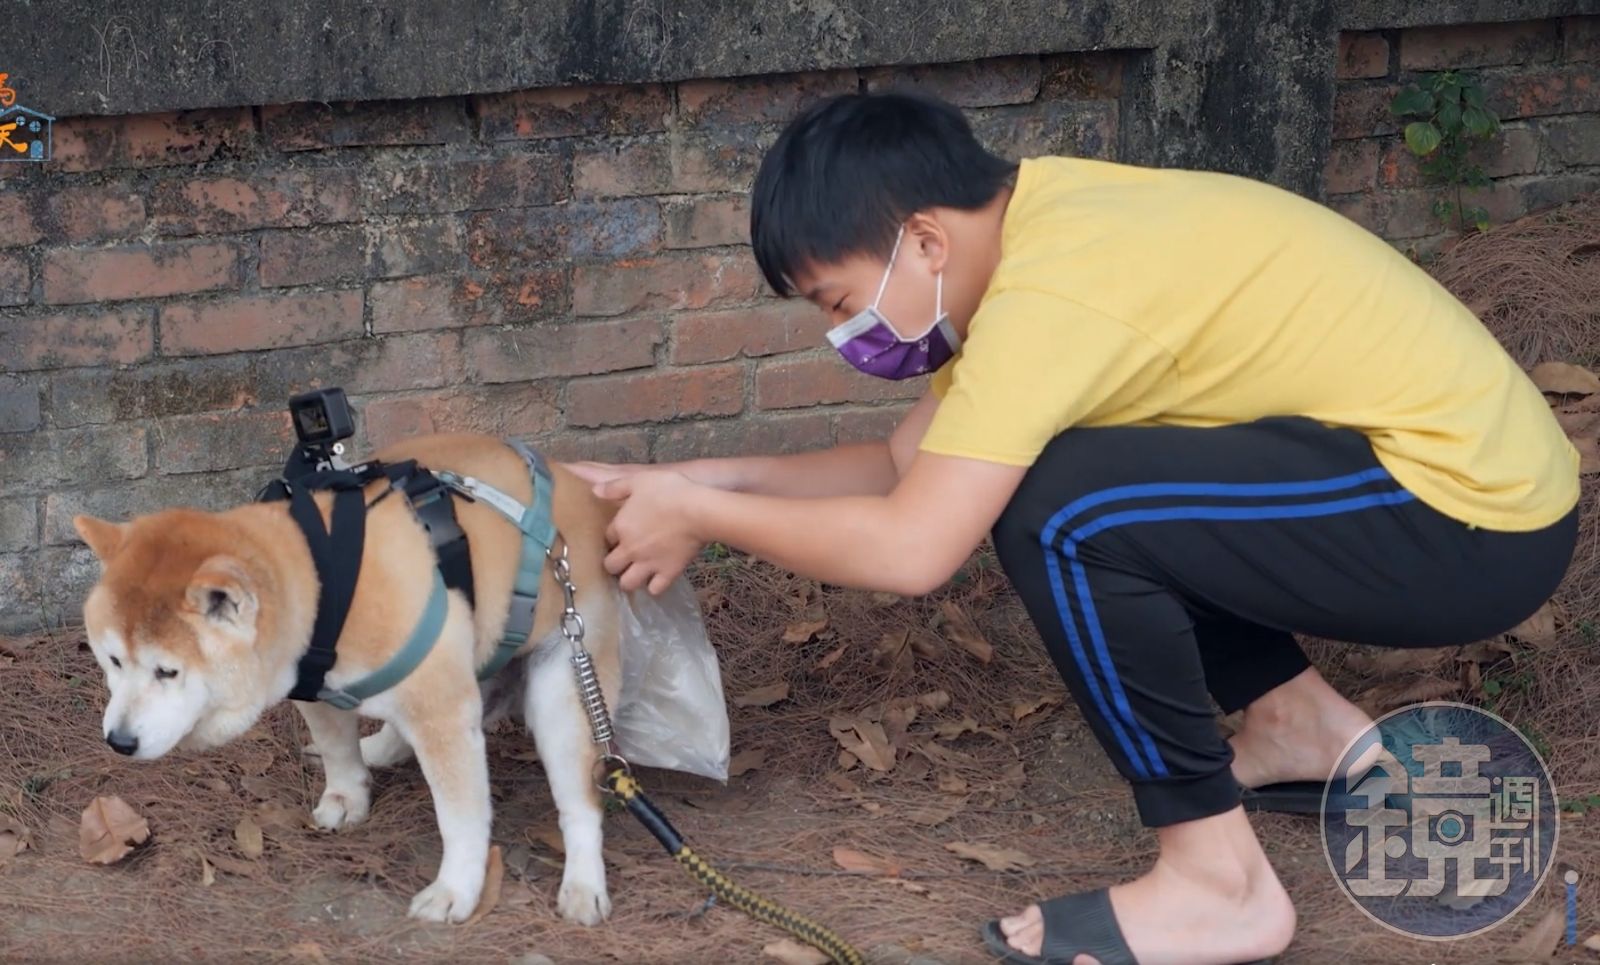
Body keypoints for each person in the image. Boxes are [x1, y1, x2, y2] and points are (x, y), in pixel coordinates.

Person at [565, 91, 1580, 965]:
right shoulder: (1040, 228)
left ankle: (1216, 880)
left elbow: (915, 548)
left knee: (1062, 508)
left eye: (838, 301)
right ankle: (1296, 723)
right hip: (1436, 481)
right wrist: (690, 478)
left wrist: (705, 516)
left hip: (1470, 517)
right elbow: (906, 464)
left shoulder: (1049, 295)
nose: (842, 335)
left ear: (924, 242)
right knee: (1083, 482)